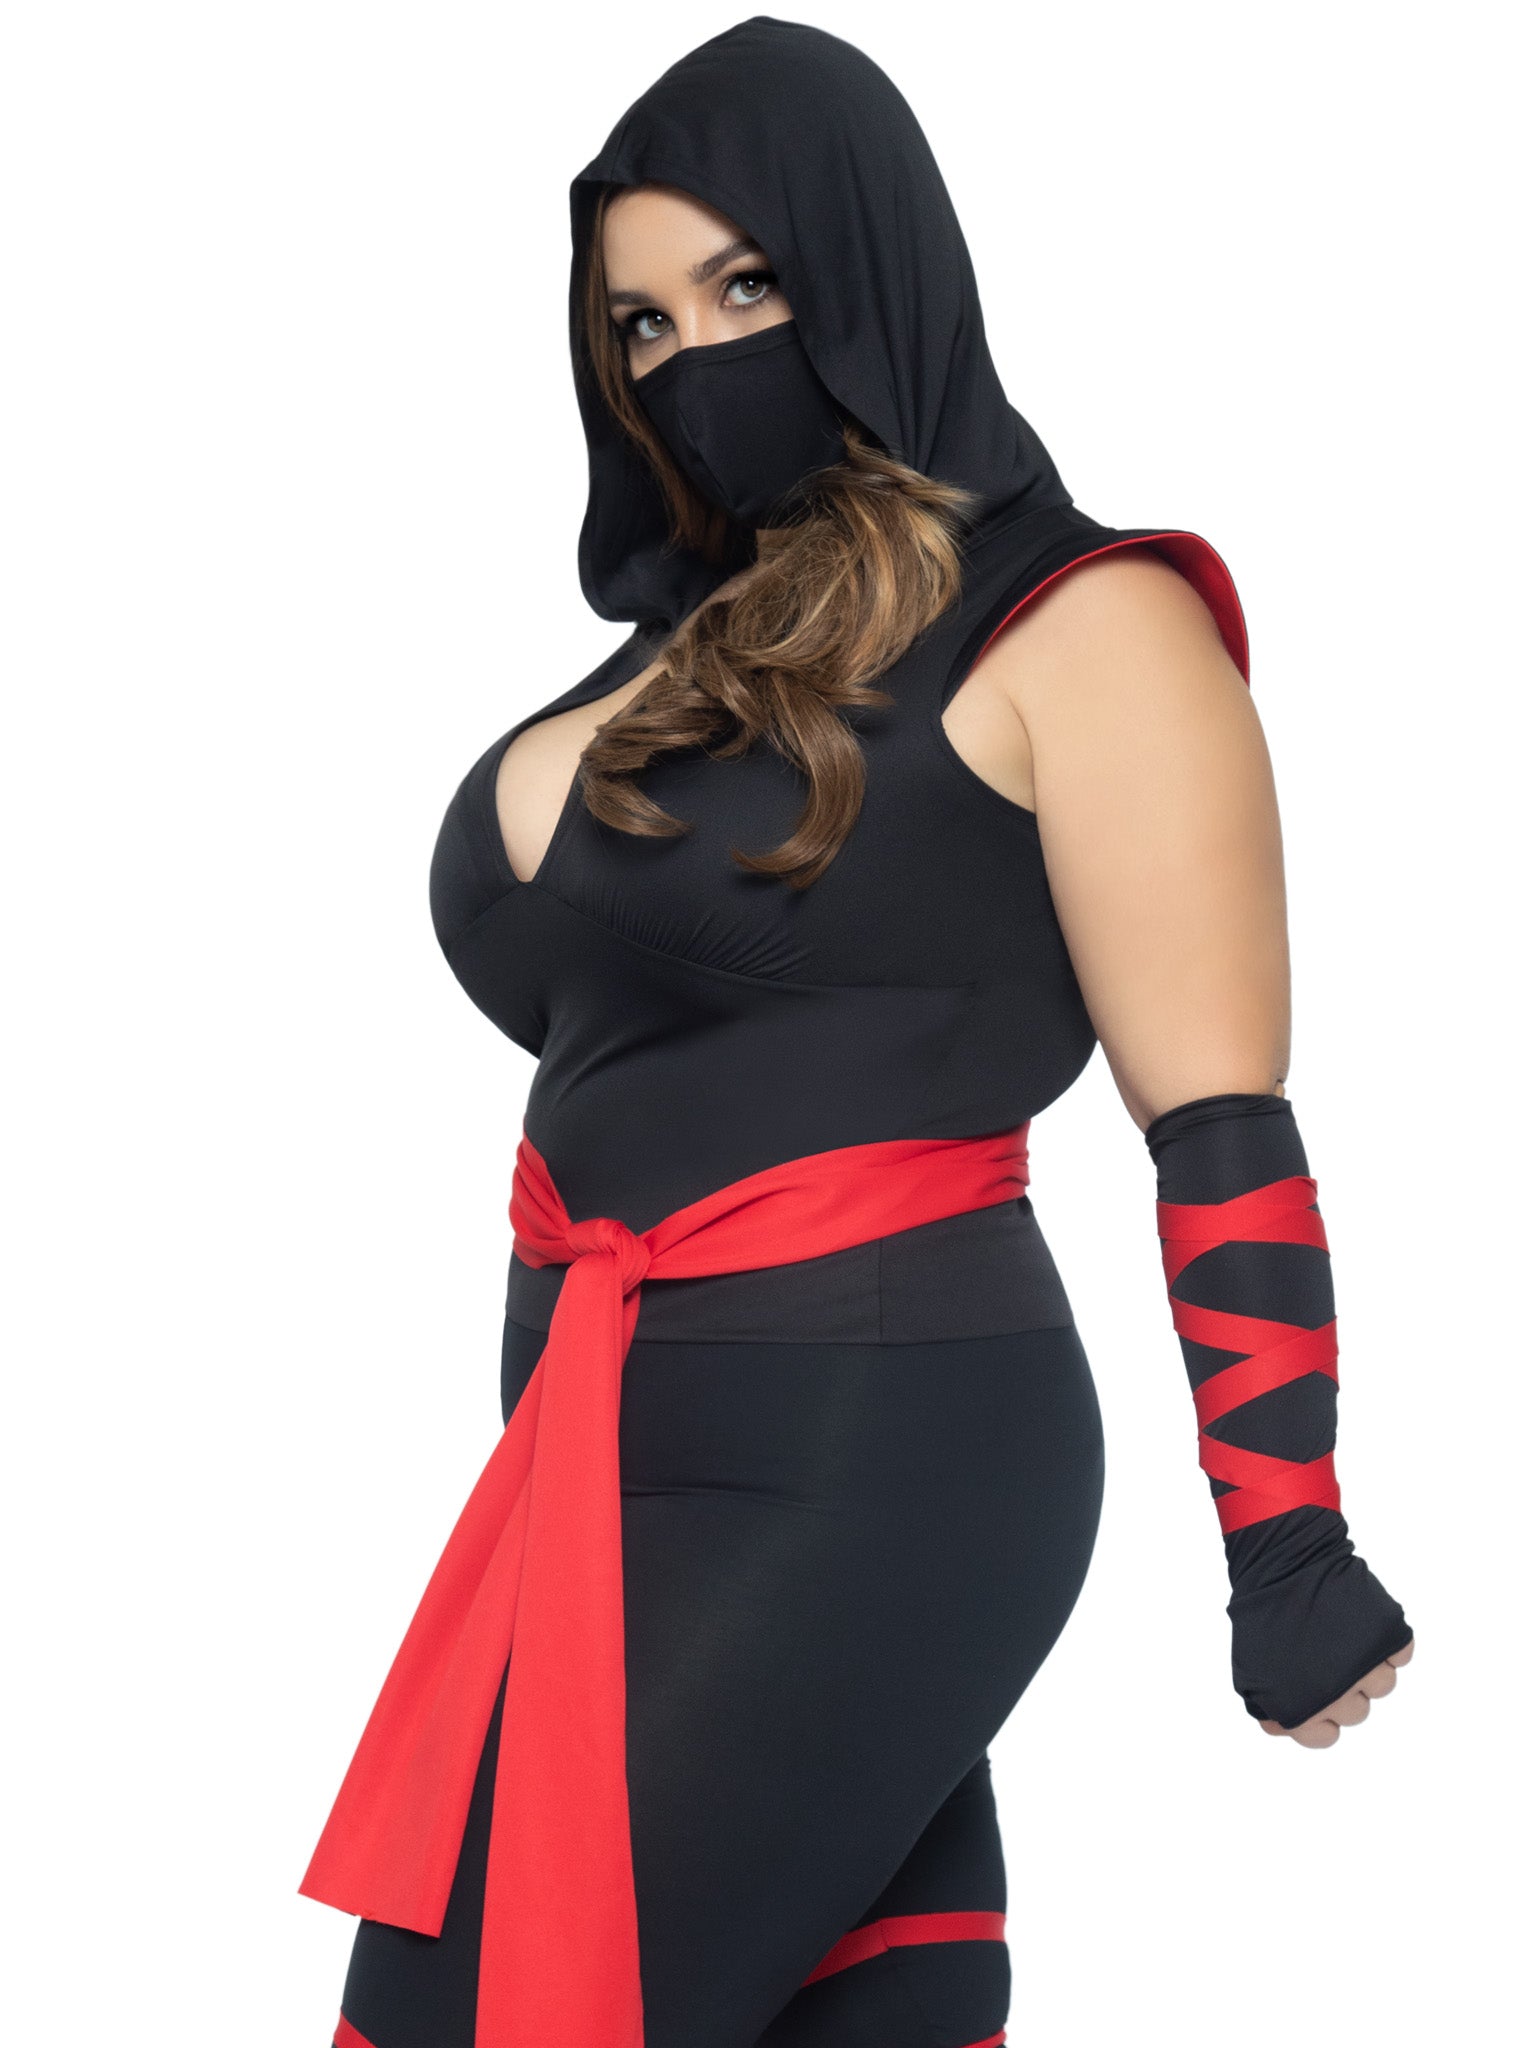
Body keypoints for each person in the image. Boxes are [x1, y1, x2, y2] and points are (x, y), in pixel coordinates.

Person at [301, 19, 1414, 2048]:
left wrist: (1291, 1544)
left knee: (472, 2014)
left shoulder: (1084, 623)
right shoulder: (688, 660)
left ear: (873, 264)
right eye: (640, 324)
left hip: (871, 1449)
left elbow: (1222, 1122)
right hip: (589, 1462)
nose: (690, 359)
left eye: (747, 287)